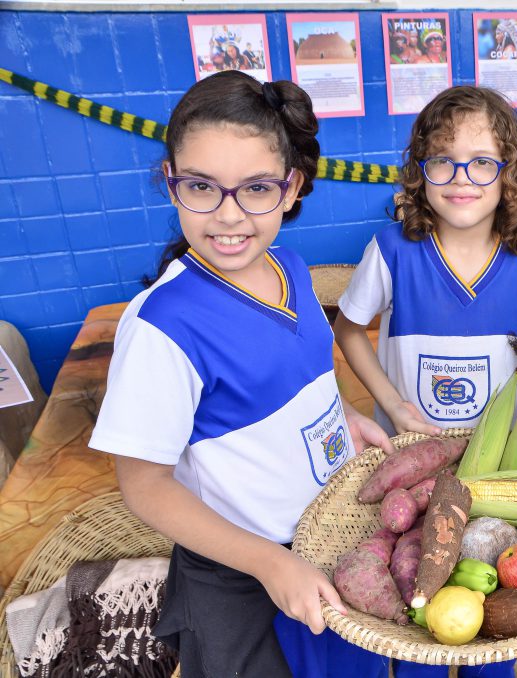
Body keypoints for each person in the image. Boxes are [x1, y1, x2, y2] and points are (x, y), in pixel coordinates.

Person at [89, 70, 395, 678]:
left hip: (327, 546)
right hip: (244, 577)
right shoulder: (162, 328)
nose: (228, 216)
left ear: (291, 187)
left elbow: (303, 372)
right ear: (172, 184)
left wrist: (345, 417)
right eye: (202, 186)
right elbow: (144, 486)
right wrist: (269, 564)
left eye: (256, 188)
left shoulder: (289, 266)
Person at [336, 85, 517, 451]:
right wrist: (392, 405)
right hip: (408, 450)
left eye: (482, 161)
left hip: (501, 456)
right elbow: (348, 332)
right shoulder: (391, 251)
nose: (461, 177)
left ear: (508, 171)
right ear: (421, 169)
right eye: (442, 159)